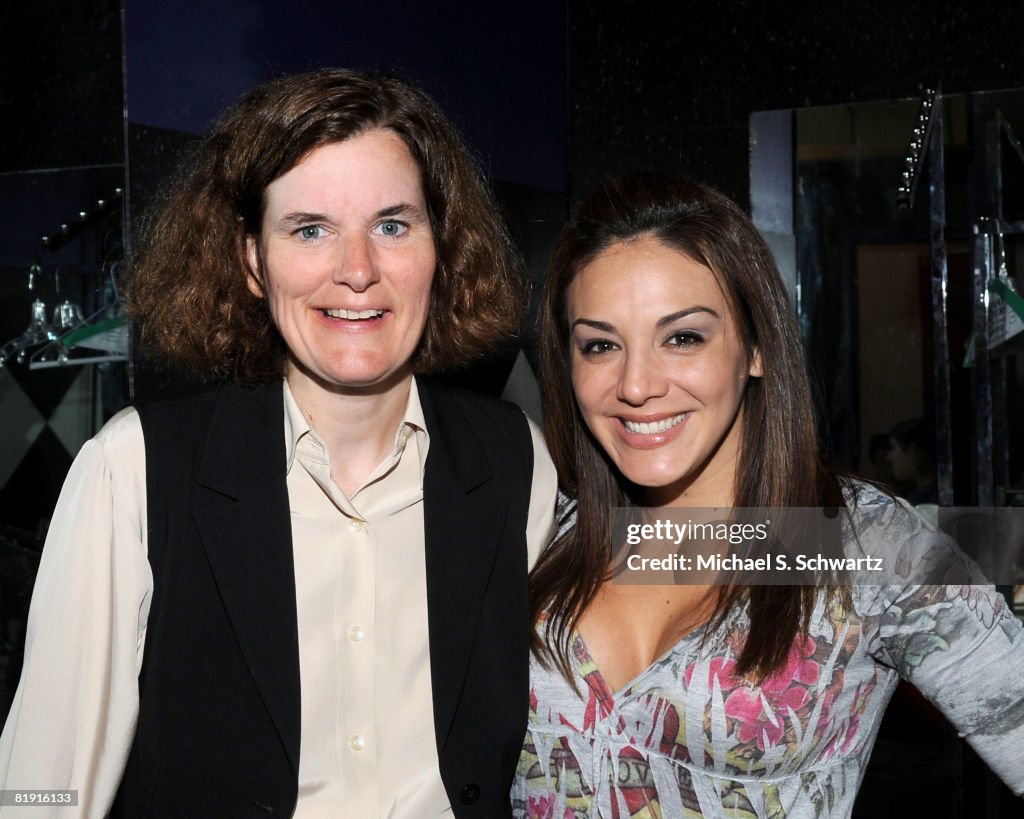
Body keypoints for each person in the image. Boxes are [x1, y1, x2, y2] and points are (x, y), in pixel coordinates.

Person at [0, 68, 557, 817]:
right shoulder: (133, 472)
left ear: (440, 248)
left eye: (392, 225)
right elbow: (39, 791)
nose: (357, 270)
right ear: (253, 262)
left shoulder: (515, 463)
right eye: (310, 229)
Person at [512, 173, 1024, 817]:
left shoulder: (855, 547)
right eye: (601, 345)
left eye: (683, 338)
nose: (636, 384)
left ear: (754, 347)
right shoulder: (539, 528)